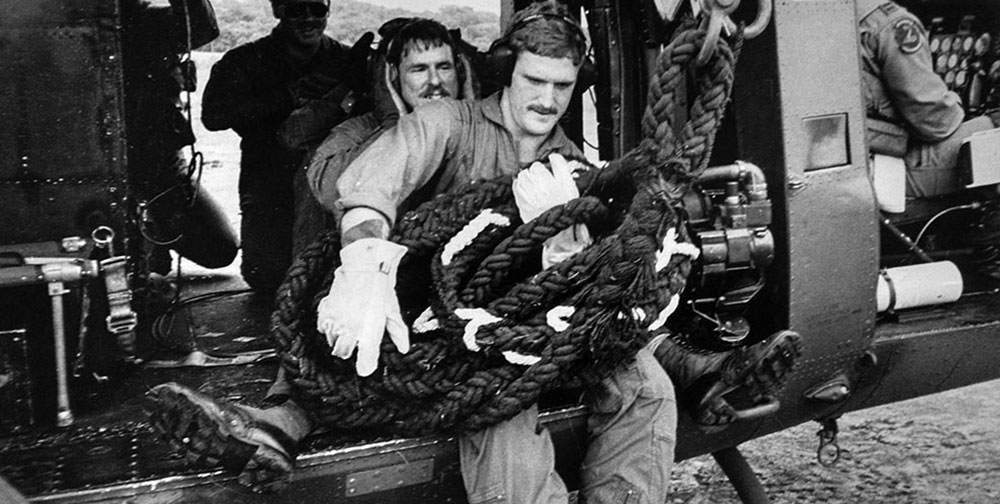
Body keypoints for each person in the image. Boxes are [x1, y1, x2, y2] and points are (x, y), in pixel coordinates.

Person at [145, 2, 799, 499]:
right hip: (461, 329)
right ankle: (279, 420)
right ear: (504, 73)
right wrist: (365, 261)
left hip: (545, 323)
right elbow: (369, 186)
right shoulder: (441, 125)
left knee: (644, 386)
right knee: (504, 408)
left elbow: (588, 254)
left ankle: (690, 375)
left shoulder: (559, 152)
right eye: (534, 82)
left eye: (563, 88)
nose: (546, 101)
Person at [200, 0, 363, 296]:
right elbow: (212, 116)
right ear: (278, 10)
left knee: (326, 280)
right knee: (266, 280)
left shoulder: (347, 59)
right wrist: (286, 97)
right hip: (267, 188)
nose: (309, 19)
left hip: (326, 189)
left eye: (318, 9)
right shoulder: (244, 60)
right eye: (297, 10)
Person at [858, 0, 1000, 278]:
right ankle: (989, 253)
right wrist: (956, 103)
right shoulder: (888, 24)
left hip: (856, 159)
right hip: (888, 169)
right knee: (994, 130)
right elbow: (935, 122)